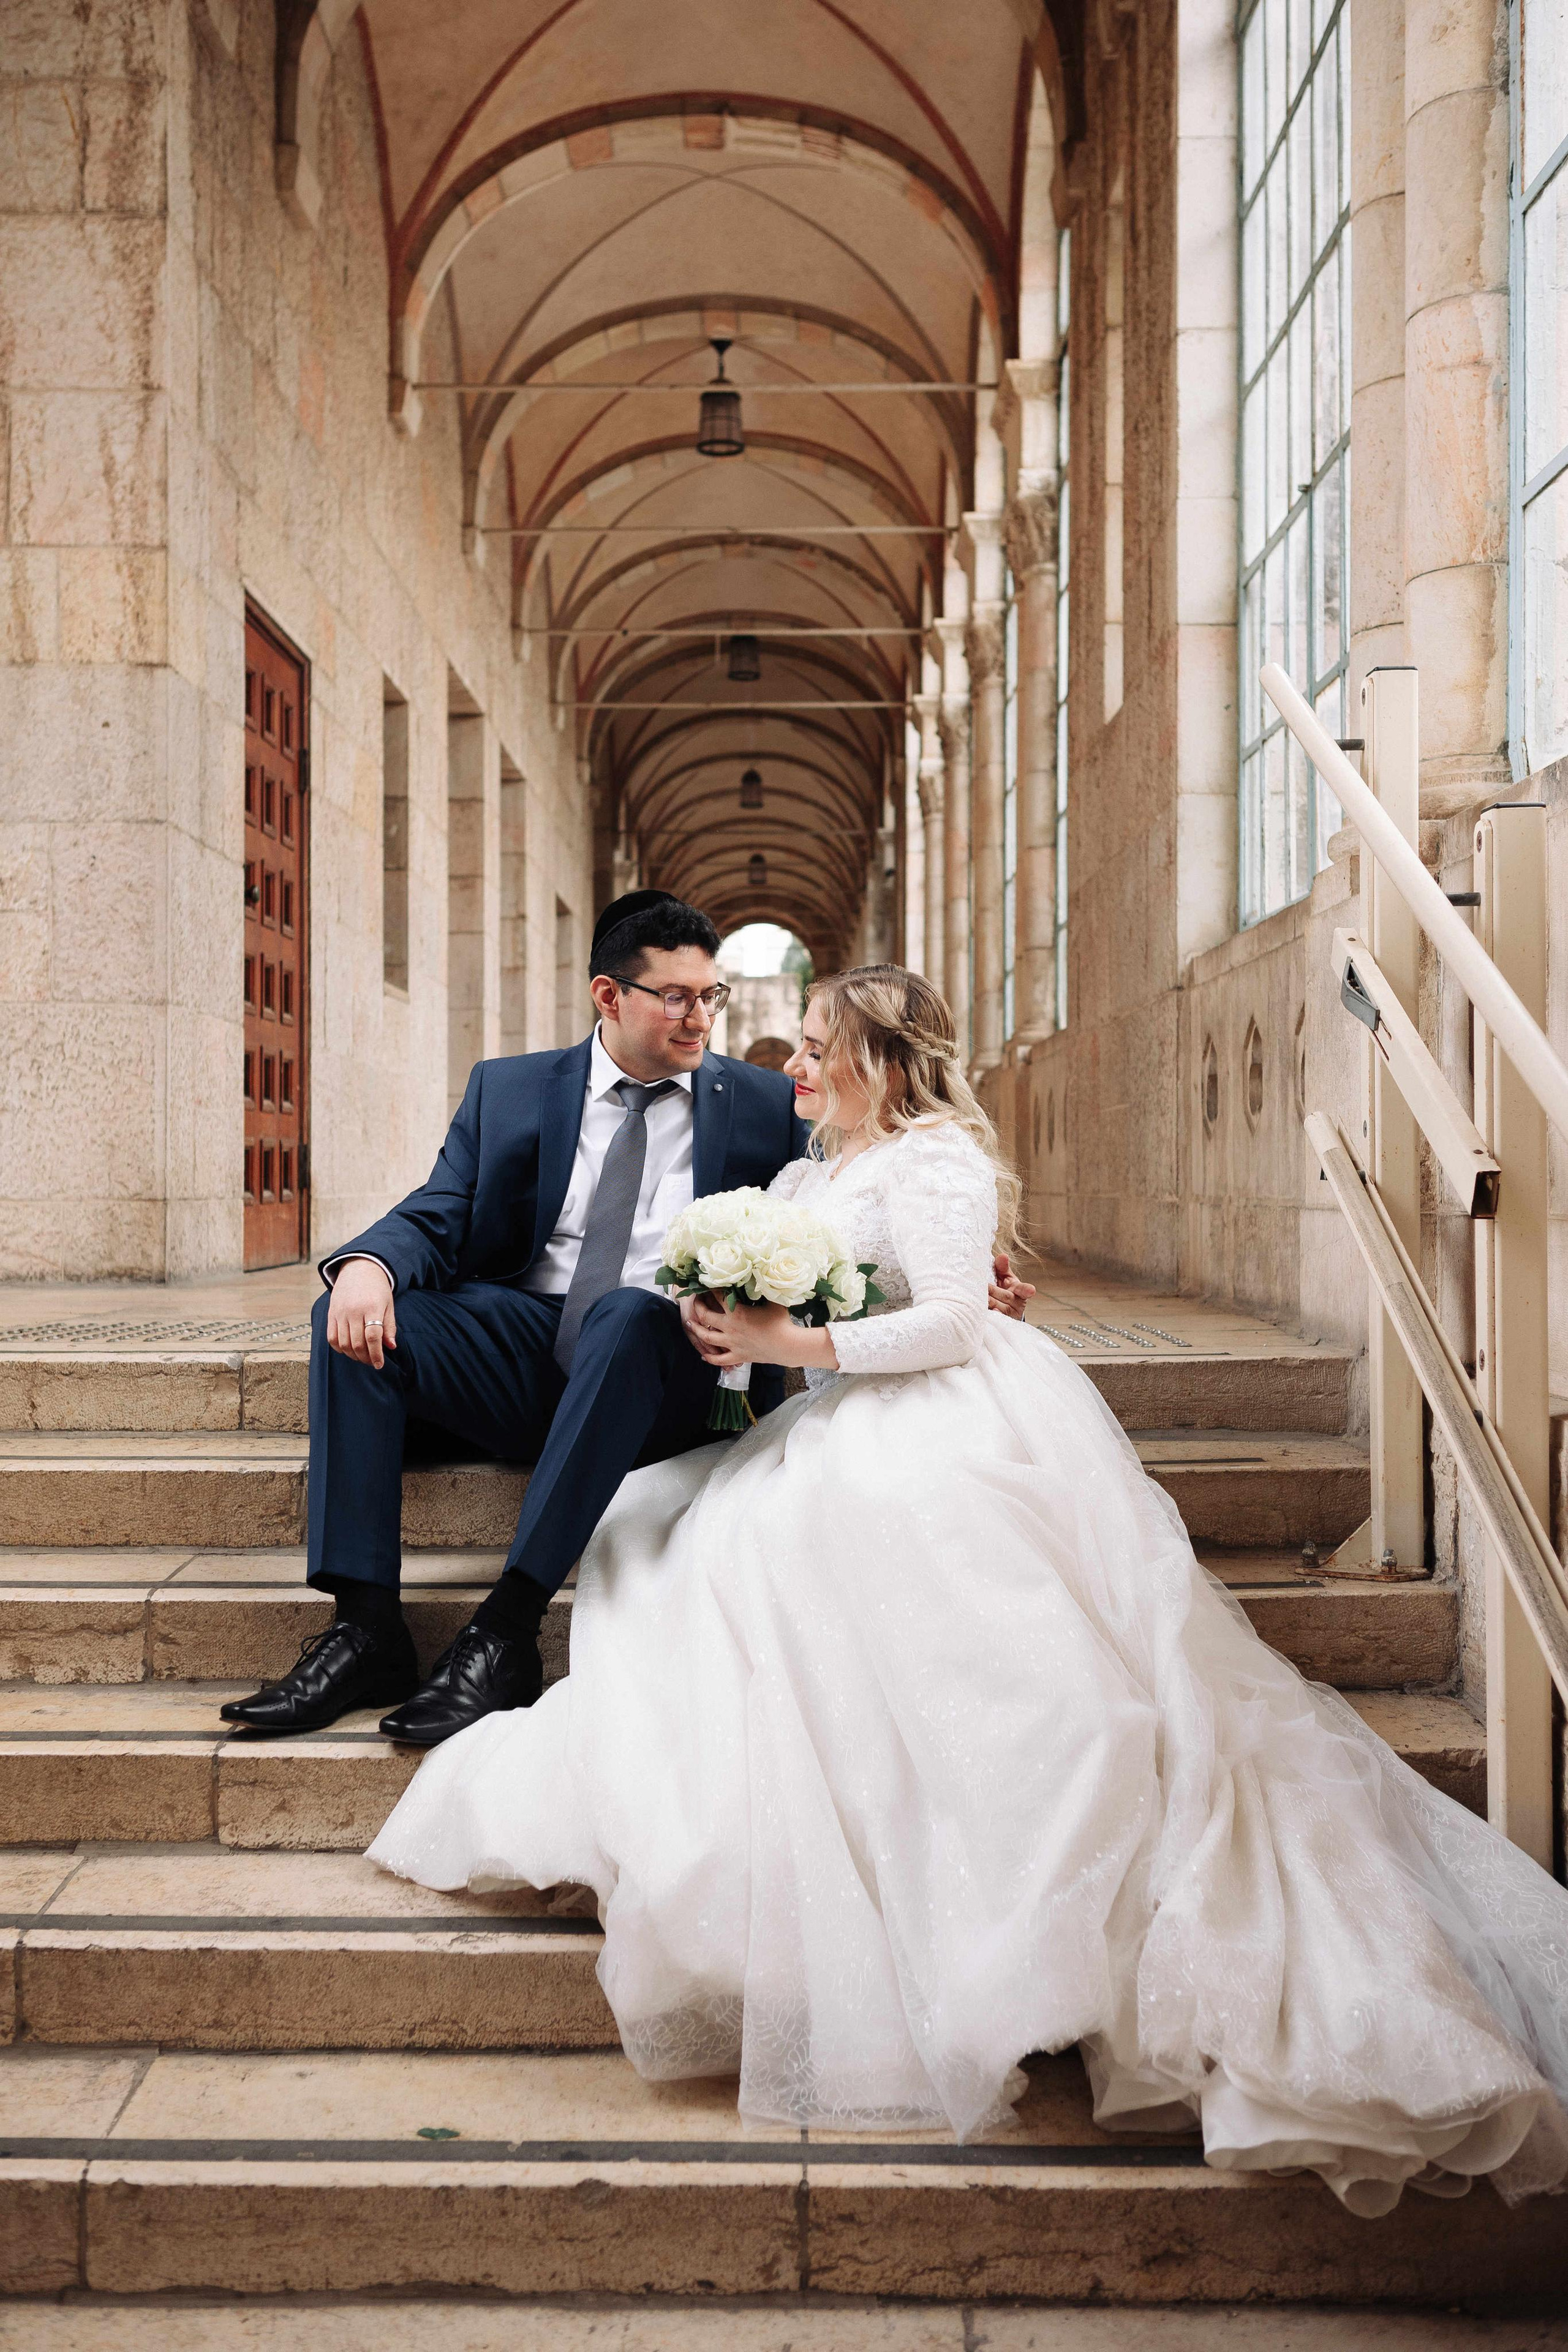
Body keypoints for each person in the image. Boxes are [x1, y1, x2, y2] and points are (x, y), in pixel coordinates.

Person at [369, 963, 1568, 2217]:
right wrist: (726, 1316)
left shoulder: (931, 1160)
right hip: (831, 1414)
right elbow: (763, 1276)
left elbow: (946, 1319)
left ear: (880, 1060)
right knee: (661, 1533)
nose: (793, 1071)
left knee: (866, 1568)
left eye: (817, 1049)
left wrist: (798, 1346)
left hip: (936, 1421)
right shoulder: (806, 1173)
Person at [221, 897, 1033, 1748]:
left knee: (624, 1317)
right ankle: (365, 1630)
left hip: (667, 1368)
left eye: (711, 995)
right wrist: (367, 1267)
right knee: (348, 1318)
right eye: (677, 997)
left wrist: (969, 1274)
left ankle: (504, 1633)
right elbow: (442, 1208)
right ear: (610, 997)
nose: (701, 1016)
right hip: (527, 1345)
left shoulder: (764, 1104)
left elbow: (862, 1204)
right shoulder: (512, 1089)